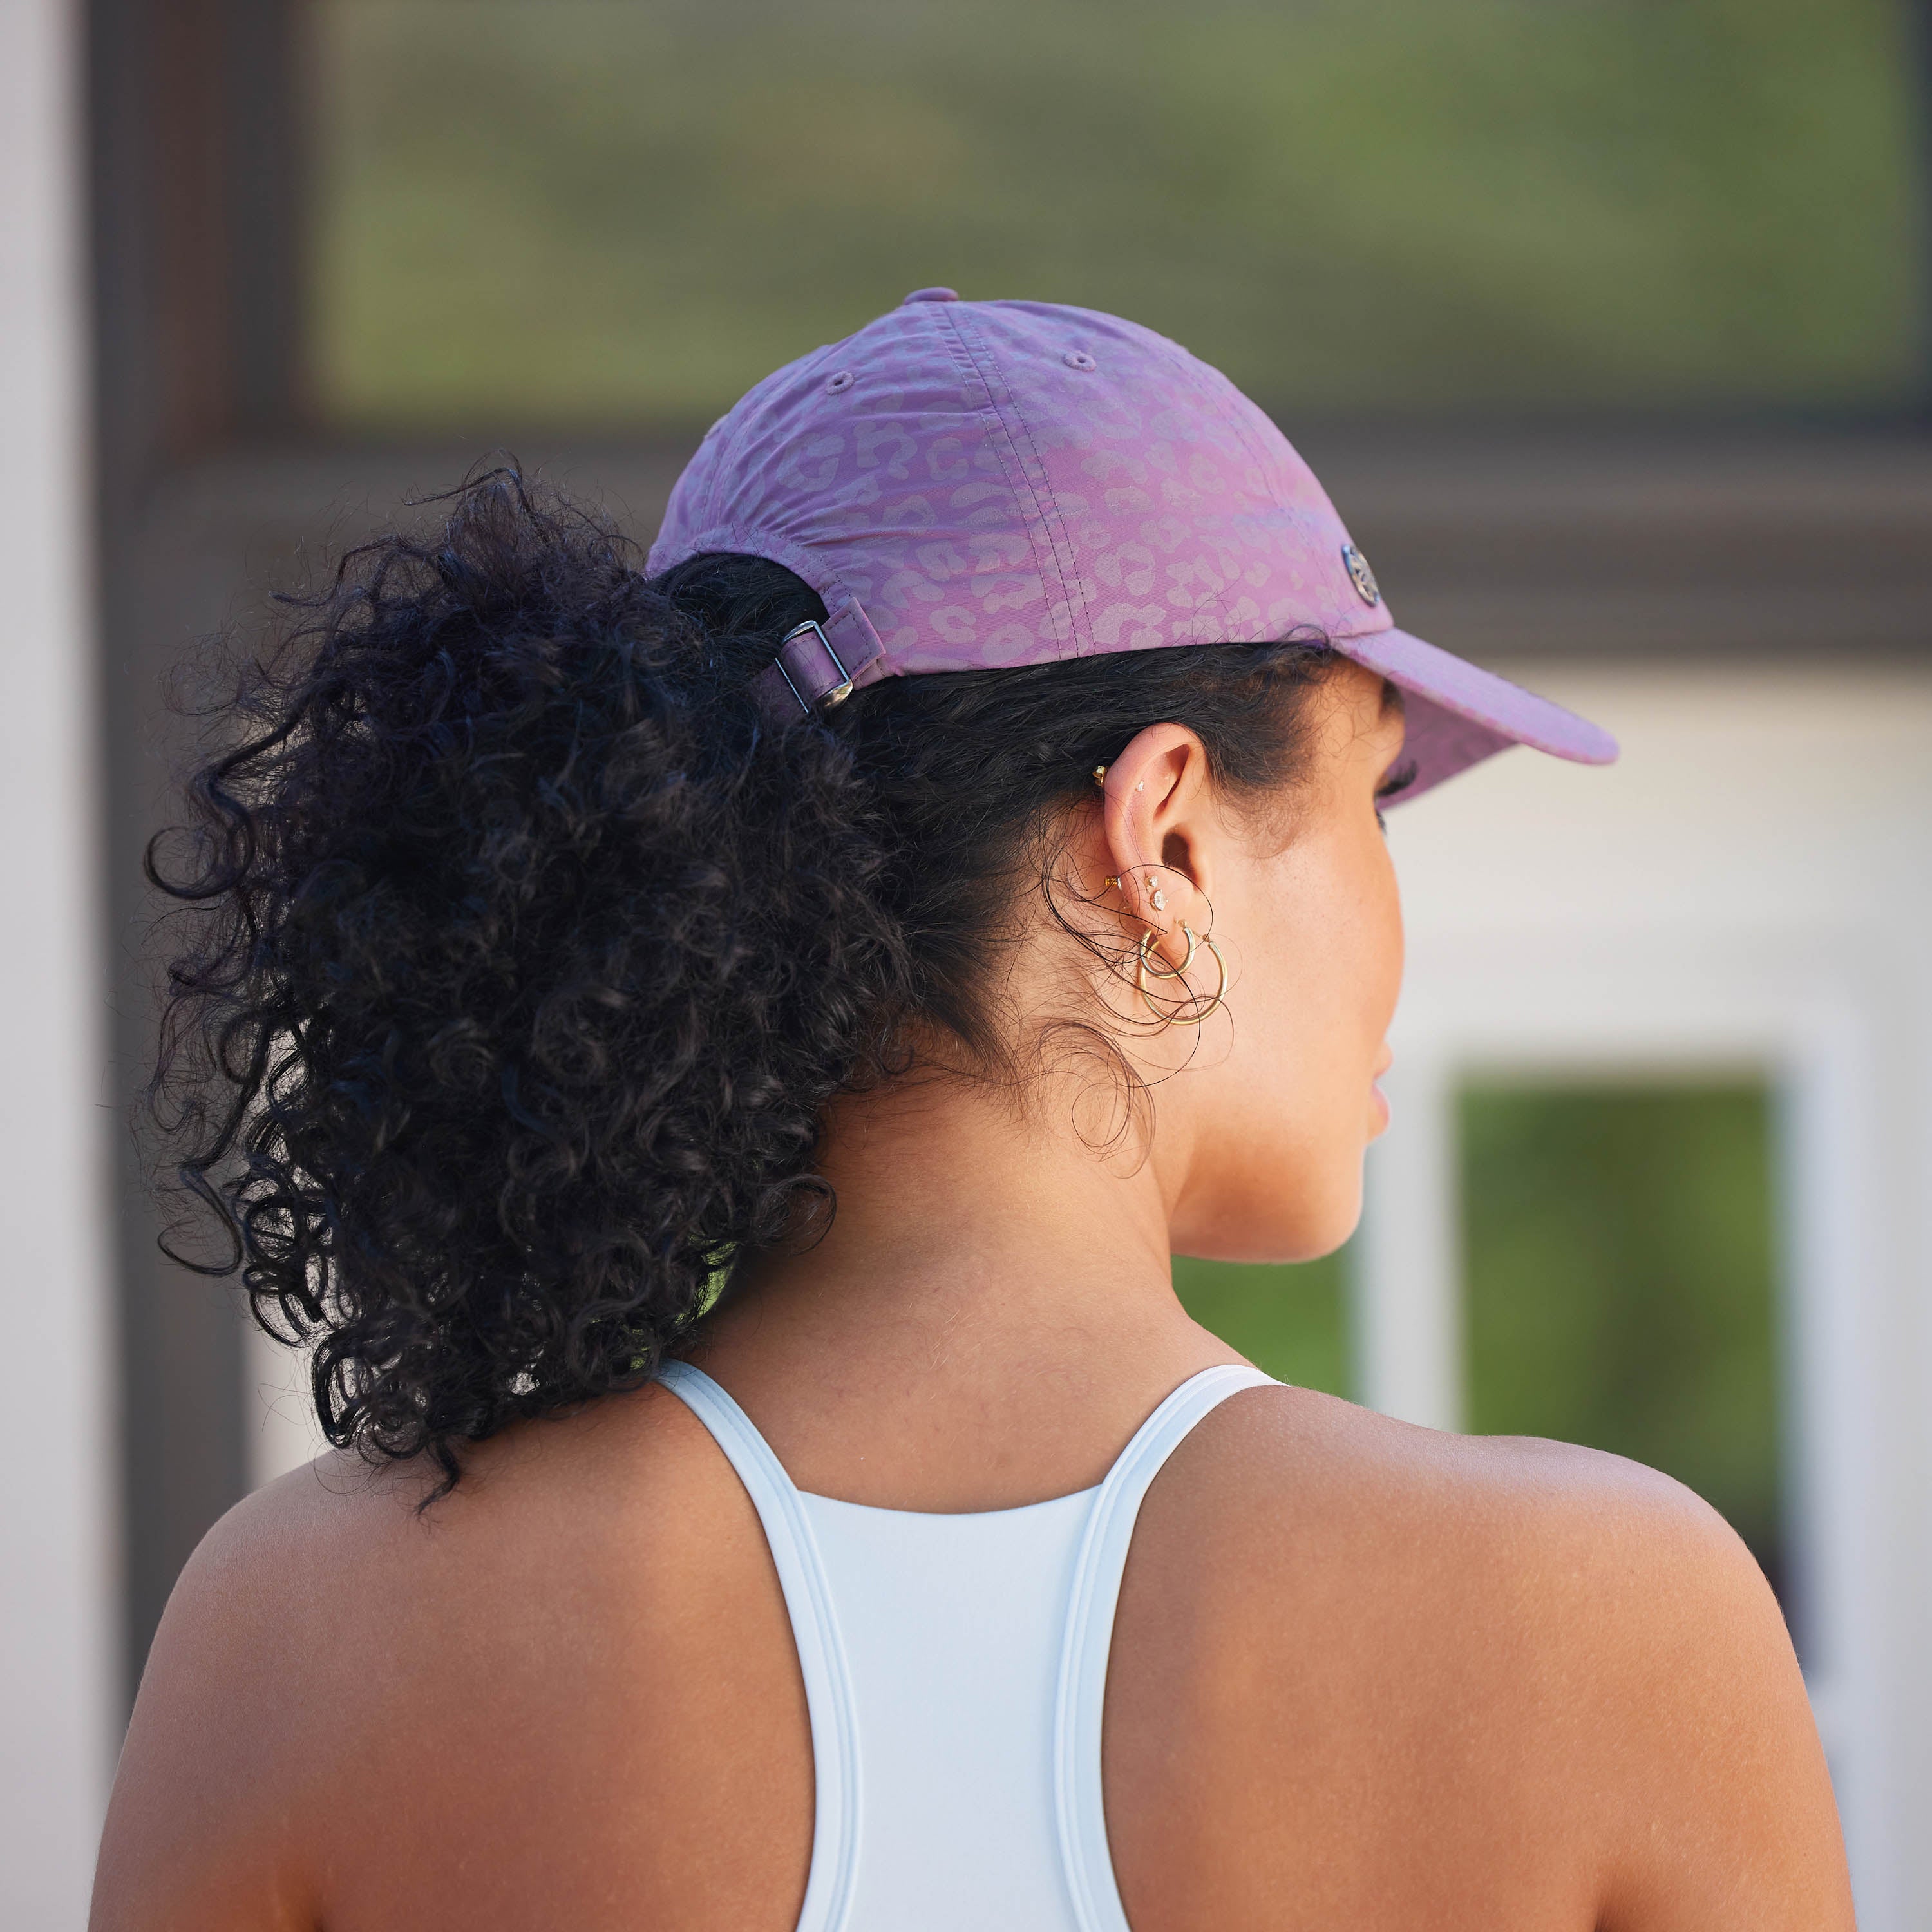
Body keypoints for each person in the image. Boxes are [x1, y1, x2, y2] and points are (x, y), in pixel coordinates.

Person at [91, 292, 1852, 1931]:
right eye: (1372, 794)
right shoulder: (1611, 1628)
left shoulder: (313, 1636)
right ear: (1162, 831)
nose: (1399, 902)